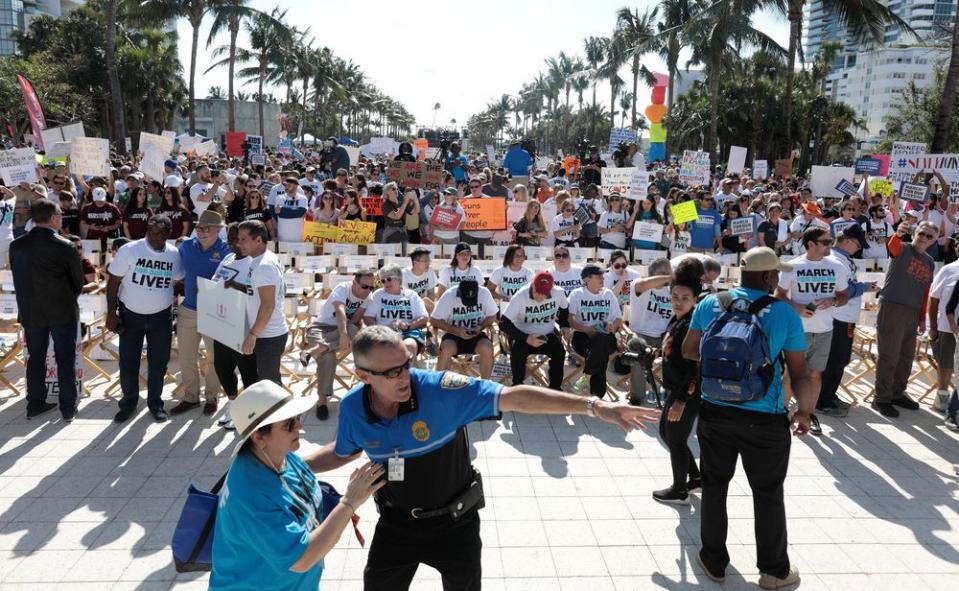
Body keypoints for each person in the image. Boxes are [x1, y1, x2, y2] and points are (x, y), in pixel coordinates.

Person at [303, 325, 658, 591]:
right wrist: (293, 467)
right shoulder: (353, 408)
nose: (405, 377)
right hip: (397, 526)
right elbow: (341, 451)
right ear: (363, 376)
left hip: (455, 526)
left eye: (406, 365)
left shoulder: (440, 390)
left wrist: (594, 407)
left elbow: (516, 396)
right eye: (392, 372)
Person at [682, 246, 816, 589]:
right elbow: (800, 372)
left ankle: (713, 561)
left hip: (715, 411)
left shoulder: (710, 303)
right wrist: (804, 412)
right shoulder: (784, 314)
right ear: (769, 277)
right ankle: (773, 572)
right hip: (765, 418)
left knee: (714, 487)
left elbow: (688, 350)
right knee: (768, 493)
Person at [210, 379, 383, 591]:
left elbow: (309, 466)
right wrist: (349, 502)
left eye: (297, 418)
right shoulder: (249, 495)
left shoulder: (275, 456)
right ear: (259, 437)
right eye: (289, 424)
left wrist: (362, 441)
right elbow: (301, 559)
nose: (299, 426)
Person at [9, 199, 85, 421]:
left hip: (31, 310)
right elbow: (78, 283)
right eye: (60, 215)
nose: (61, 219)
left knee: (35, 358)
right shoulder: (65, 246)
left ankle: (35, 403)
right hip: (61, 310)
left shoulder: (17, 245)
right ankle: (68, 407)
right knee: (65, 358)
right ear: (52, 218)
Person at [107, 214, 184, 423]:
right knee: (128, 362)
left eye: (159, 234)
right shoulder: (130, 250)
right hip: (130, 314)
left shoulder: (174, 254)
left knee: (158, 363)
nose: (154, 237)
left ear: (168, 234)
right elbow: (113, 282)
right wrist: (111, 313)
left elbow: (178, 281)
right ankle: (129, 403)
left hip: (161, 317)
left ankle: (155, 403)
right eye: (150, 232)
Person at [775, 227, 849, 435]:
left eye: (830, 242)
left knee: (815, 375)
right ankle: (780, 414)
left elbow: (844, 294)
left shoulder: (836, 266)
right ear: (811, 245)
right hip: (798, 330)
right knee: (792, 374)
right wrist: (797, 308)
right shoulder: (793, 266)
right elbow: (778, 294)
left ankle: (807, 414)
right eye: (825, 242)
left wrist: (833, 300)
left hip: (825, 330)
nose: (830, 246)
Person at [652, 257, 705, 505]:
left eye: (685, 298)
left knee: (675, 438)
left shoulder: (694, 324)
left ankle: (679, 489)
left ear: (695, 299)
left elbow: (696, 366)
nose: (678, 302)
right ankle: (695, 477)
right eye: (675, 297)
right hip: (675, 386)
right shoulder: (679, 319)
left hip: (687, 391)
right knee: (667, 433)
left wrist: (682, 400)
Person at [170, 210, 232, 417]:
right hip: (188, 309)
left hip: (215, 311)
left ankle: (212, 396)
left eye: (207, 228)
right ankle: (190, 397)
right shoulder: (186, 247)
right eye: (199, 227)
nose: (202, 231)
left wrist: (211, 288)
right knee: (186, 357)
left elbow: (233, 281)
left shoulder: (227, 251)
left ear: (219, 230)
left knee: (215, 359)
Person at [873, 220, 938, 417]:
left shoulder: (929, 261)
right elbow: (892, 246)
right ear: (915, 233)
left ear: (934, 241)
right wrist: (900, 232)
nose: (924, 238)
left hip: (913, 311)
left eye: (929, 236)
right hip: (892, 307)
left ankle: (897, 393)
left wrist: (922, 318)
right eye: (922, 233)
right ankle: (881, 398)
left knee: (906, 357)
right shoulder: (902, 248)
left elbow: (925, 291)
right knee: (889, 355)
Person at [818, 226, 878, 420]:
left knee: (840, 359)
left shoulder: (842, 259)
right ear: (848, 240)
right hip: (838, 316)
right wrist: (863, 287)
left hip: (845, 316)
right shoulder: (835, 260)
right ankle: (822, 400)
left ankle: (829, 394)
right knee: (835, 359)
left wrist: (860, 287)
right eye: (858, 244)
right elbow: (843, 291)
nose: (859, 248)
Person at [302, 270, 374, 420]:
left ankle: (319, 348)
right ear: (354, 283)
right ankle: (322, 401)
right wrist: (342, 334)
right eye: (364, 286)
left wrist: (344, 331)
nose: (368, 290)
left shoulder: (368, 297)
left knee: (354, 331)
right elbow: (340, 310)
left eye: (371, 287)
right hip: (320, 328)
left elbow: (354, 320)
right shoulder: (343, 288)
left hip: (341, 330)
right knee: (328, 356)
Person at [209, 223, 259, 430]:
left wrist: (234, 285)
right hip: (223, 320)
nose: (233, 242)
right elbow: (217, 281)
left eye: (237, 238)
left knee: (247, 370)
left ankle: (249, 412)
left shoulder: (253, 262)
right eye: (230, 238)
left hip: (244, 323)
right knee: (222, 367)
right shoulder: (228, 258)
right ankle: (233, 404)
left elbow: (257, 290)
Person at [232, 220, 288, 385]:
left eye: (243, 239)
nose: (238, 243)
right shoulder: (263, 258)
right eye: (238, 238)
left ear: (258, 240)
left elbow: (267, 305)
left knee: (270, 385)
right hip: (266, 332)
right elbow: (256, 291)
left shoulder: (263, 266)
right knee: (268, 382)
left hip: (268, 335)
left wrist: (253, 334)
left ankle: (282, 411)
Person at [502, 271, 568, 389]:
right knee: (517, 351)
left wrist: (564, 325)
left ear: (551, 289)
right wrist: (526, 338)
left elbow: (564, 308)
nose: (539, 296)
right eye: (537, 291)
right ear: (532, 284)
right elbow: (503, 323)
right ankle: (517, 386)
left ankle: (555, 388)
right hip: (522, 335)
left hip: (546, 334)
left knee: (559, 351)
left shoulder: (558, 292)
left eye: (544, 293)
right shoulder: (520, 296)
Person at [569, 265, 623, 399]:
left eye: (602, 276)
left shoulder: (608, 294)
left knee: (601, 340)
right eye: (598, 276)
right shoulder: (577, 294)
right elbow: (570, 320)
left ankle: (587, 375)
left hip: (605, 336)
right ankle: (598, 395)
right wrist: (587, 329)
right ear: (587, 279)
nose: (602, 278)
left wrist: (612, 326)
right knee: (601, 350)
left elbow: (618, 319)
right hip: (583, 337)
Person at [626, 258, 674, 403]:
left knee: (679, 348)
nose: (667, 277)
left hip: (664, 337)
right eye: (663, 273)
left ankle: (672, 394)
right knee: (637, 347)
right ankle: (638, 395)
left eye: (669, 273)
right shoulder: (640, 285)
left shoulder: (671, 291)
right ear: (653, 274)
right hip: (640, 334)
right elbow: (645, 284)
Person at [432, 279, 498, 379]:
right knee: (446, 349)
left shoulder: (484, 293)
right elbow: (434, 320)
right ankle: (439, 384)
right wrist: (456, 331)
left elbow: (492, 316)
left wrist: (481, 326)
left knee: (487, 348)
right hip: (453, 334)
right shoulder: (449, 295)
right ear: (459, 293)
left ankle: (486, 384)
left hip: (476, 333)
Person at [364, 265, 429, 358]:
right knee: (383, 348)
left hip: (408, 333)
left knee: (409, 346)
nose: (386, 282)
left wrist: (408, 326)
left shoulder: (412, 295)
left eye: (389, 279)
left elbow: (424, 318)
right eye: (383, 280)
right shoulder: (378, 295)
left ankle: (409, 372)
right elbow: (368, 317)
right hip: (384, 334)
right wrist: (379, 329)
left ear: (400, 279)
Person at [929, 238, 959, 412]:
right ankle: (942, 397)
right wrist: (932, 327)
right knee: (945, 363)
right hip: (947, 327)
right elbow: (933, 300)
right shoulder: (947, 270)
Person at [273, 177, 309, 243]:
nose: (286, 187)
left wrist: (283, 209)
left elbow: (300, 212)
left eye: (289, 185)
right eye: (285, 185)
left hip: (298, 236)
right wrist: (295, 210)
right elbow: (280, 214)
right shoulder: (279, 197)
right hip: (283, 236)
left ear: (296, 186)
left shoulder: (303, 198)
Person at [403, 247, 438, 311]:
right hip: (408, 306)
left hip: (423, 306)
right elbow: (404, 297)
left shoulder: (430, 271)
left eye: (428, 260)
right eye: (425, 260)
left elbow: (431, 292)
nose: (428, 263)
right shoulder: (404, 274)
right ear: (415, 262)